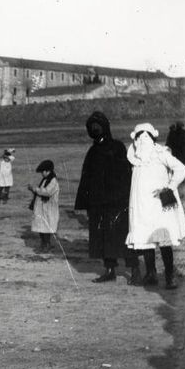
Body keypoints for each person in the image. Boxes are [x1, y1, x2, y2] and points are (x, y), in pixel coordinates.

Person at [74, 111, 141, 284]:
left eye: (98, 126)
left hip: (117, 202)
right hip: (98, 203)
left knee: (123, 236)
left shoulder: (117, 147)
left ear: (105, 127)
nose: (95, 129)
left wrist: (122, 197)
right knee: (102, 237)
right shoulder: (92, 151)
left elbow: (125, 175)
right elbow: (86, 177)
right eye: (92, 127)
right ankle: (110, 269)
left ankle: (135, 270)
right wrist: (87, 202)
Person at [125, 123, 185, 289]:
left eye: (147, 136)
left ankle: (169, 275)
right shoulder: (134, 157)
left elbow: (181, 169)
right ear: (136, 139)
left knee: (164, 239)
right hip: (140, 205)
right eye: (140, 136)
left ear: (153, 138)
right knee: (146, 239)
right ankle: (151, 273)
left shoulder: (161, 153)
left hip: (160, 205)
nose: (143, 139)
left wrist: (169, 187)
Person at [27, 160, 59, 253]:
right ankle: (44, 244)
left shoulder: (53, 181)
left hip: (49, 208)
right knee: (41, 227)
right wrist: (33, 189)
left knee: (46, 228)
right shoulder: (45, 180)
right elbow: (41, 191)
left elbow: (46, 192)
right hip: (42, 207)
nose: (41, 174)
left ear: (47, 171)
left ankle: (47, 245)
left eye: (42, 172)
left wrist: (34, 189)